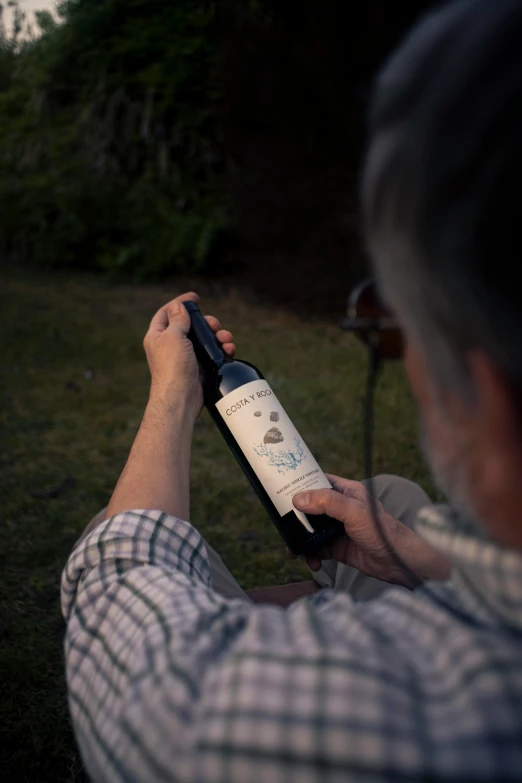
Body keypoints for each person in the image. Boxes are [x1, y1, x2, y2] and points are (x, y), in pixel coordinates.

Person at [62, 0, 522, 780]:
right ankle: (335, 587)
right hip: (416, 563)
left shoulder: (399, 703)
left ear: (483, 391)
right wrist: (420, 557)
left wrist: (175, 390)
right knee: (389, 497)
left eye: (393, 326)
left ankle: (277, 613)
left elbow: (116, 585)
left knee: (155, 550)